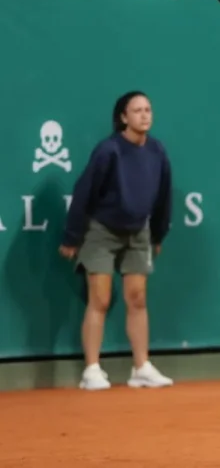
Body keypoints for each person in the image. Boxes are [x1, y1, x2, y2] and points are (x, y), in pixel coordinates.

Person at [58, 91, 175, 391]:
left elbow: (163, 198)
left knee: (137, 298)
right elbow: (84, 193)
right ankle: (92, 370)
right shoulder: (108, 151)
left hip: (139, 232)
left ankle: (141, 368)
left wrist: (157, 234)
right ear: (123, 117)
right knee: (100, 299)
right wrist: (72, 237)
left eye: (148, 109)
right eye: (137, 110)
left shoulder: (157, 152)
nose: (144, 115)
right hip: (102, 231)